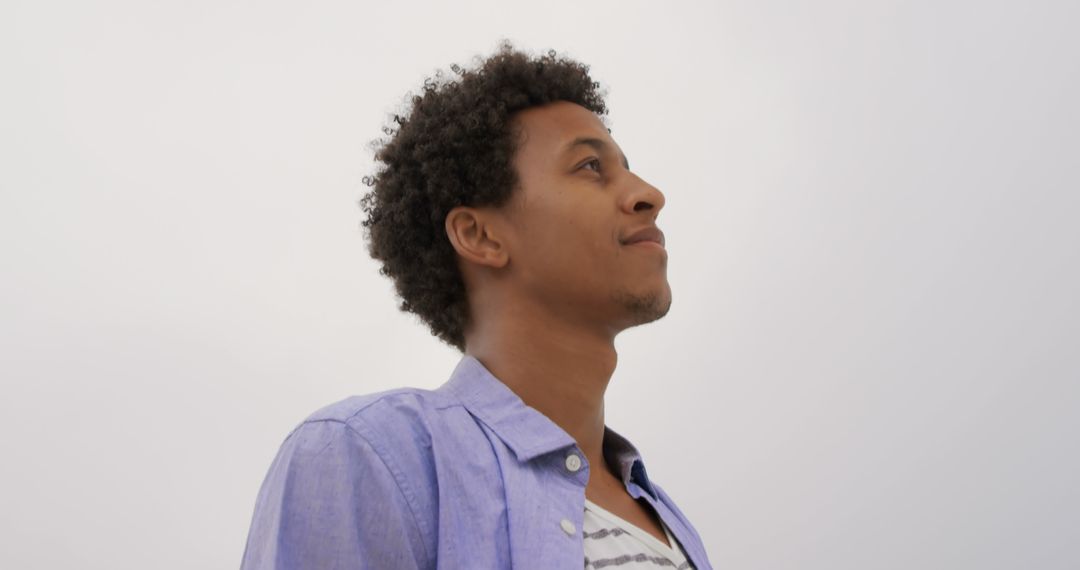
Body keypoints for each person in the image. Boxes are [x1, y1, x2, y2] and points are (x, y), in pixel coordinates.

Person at [240, 40, 713, 569]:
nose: (648, 193)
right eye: (588, 166)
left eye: (628, 168)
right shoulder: (369, 455)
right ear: (480, 234)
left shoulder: (669, 523)